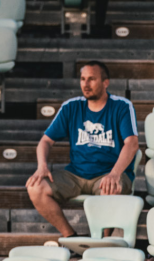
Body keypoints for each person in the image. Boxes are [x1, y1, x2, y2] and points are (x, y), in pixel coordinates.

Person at [26, 61, 139, 239]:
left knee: (109, 188)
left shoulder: (121, 106)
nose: (85, 85)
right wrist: (42, 166)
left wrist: (115, 173)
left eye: (92, 79)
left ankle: (101, 241)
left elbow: (132, 143)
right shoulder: (71, 107)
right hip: (76, 174)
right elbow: (45, 141)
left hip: (107, 173)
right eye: (83, 79)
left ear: (105, 82)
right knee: (35, 187)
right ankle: (70, 237)